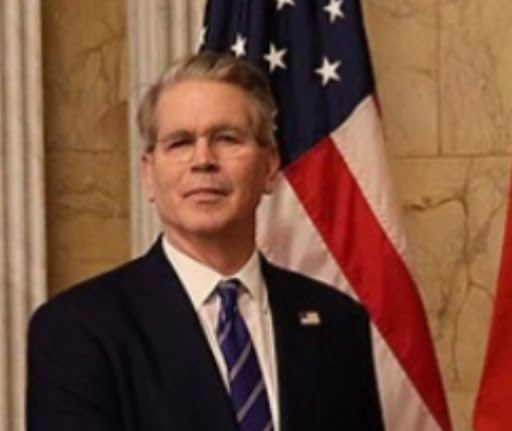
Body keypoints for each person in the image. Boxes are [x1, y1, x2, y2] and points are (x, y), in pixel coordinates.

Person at [27, 52, 385, 431]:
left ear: (268, 166)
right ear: (149, 175)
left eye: (227, 139)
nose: (203, 160)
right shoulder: (79, 328)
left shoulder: (337, 322)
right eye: (180, 143)